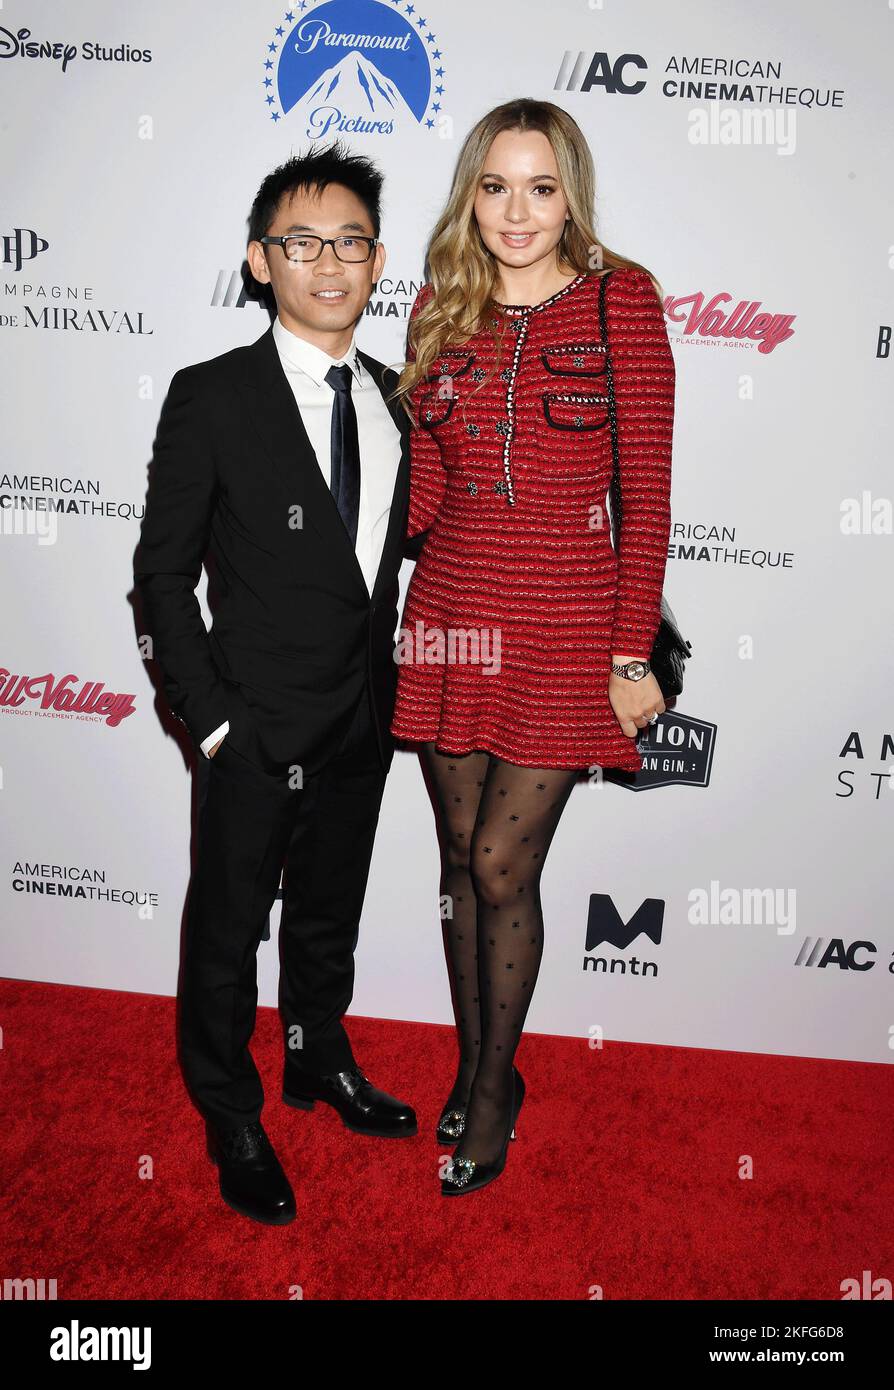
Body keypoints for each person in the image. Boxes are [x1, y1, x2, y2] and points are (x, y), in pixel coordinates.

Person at [390, 99, 676, 1195]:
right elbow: (423, 494)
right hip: (453, 612)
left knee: (507, 863)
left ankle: (496, 1087)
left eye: (541, 187)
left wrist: (629, 652)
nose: (517, 211)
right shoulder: (437, 304)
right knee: (461, 864)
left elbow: (646, 499)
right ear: (471, 190)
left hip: (566, 626)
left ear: (572, 195)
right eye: (496, 186)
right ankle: (476, 1062)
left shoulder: (620, 303)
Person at [134, 141, 417, 1227]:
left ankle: (317, 1060)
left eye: (350, 241)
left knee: (328, 919)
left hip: (361, 721)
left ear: (377, 258)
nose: (329, 264)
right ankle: (231, 1109)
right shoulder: (210, 396)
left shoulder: (397, 398)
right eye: (302, 243)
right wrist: (209, 723)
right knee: (226, 927)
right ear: (261, 261)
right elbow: (162, 573)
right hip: (251, 727)